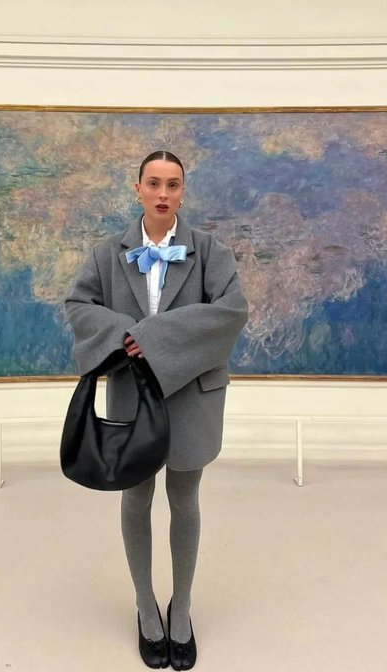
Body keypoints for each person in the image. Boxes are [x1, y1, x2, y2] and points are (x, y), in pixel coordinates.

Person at [64, 150, 248, 670]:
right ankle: (146, 605)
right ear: (138, 189)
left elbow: (231, 313)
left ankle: (181, 606)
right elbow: (78, 305)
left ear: (183, 192)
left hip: (193, 394)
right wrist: (126, 336)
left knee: (184, 498)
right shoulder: (108, 252)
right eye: (153, 183)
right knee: (136, 496)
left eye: (173, 184)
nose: (163, 193)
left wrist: (154, 339)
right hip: (132, 393)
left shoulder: (211, 251)